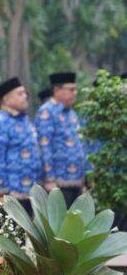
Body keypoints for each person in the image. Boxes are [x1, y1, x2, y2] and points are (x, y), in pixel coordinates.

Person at [0, 77, 41, 214]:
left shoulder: (25, 120)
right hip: (11, 193)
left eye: (25, 93)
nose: (25, 96)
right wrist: (1, 192)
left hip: (30, 191)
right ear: (6, 99)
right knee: (9, 233)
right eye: (20, 94)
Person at [36, 72, 88, 207]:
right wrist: (50, 179)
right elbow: (44, 147)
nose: (75, 93)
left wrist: (83, 181)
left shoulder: (72, 113)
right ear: (57, 90)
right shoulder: (47, 112)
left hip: (76, 181)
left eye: (75, 89)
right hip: (57, 183)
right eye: (71, 89)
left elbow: (79, 146)